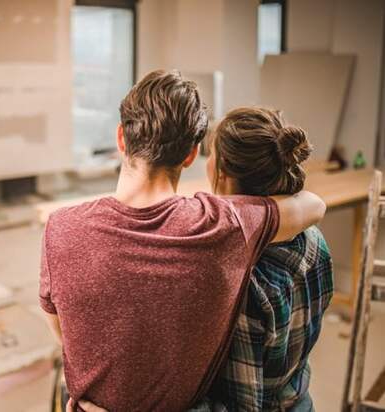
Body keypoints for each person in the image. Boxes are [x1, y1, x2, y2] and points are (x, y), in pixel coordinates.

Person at [39, 70, 326, 411]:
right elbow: (313, 205)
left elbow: (66, 335)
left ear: (121, 138)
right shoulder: (221, 226)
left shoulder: (59, 228)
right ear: (191, 154)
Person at [205, 107, 334, 411]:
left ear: (222, 170)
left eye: (210, 153)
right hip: (299, 401)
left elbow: (244, 404)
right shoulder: (316, 240)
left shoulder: (245, 279)